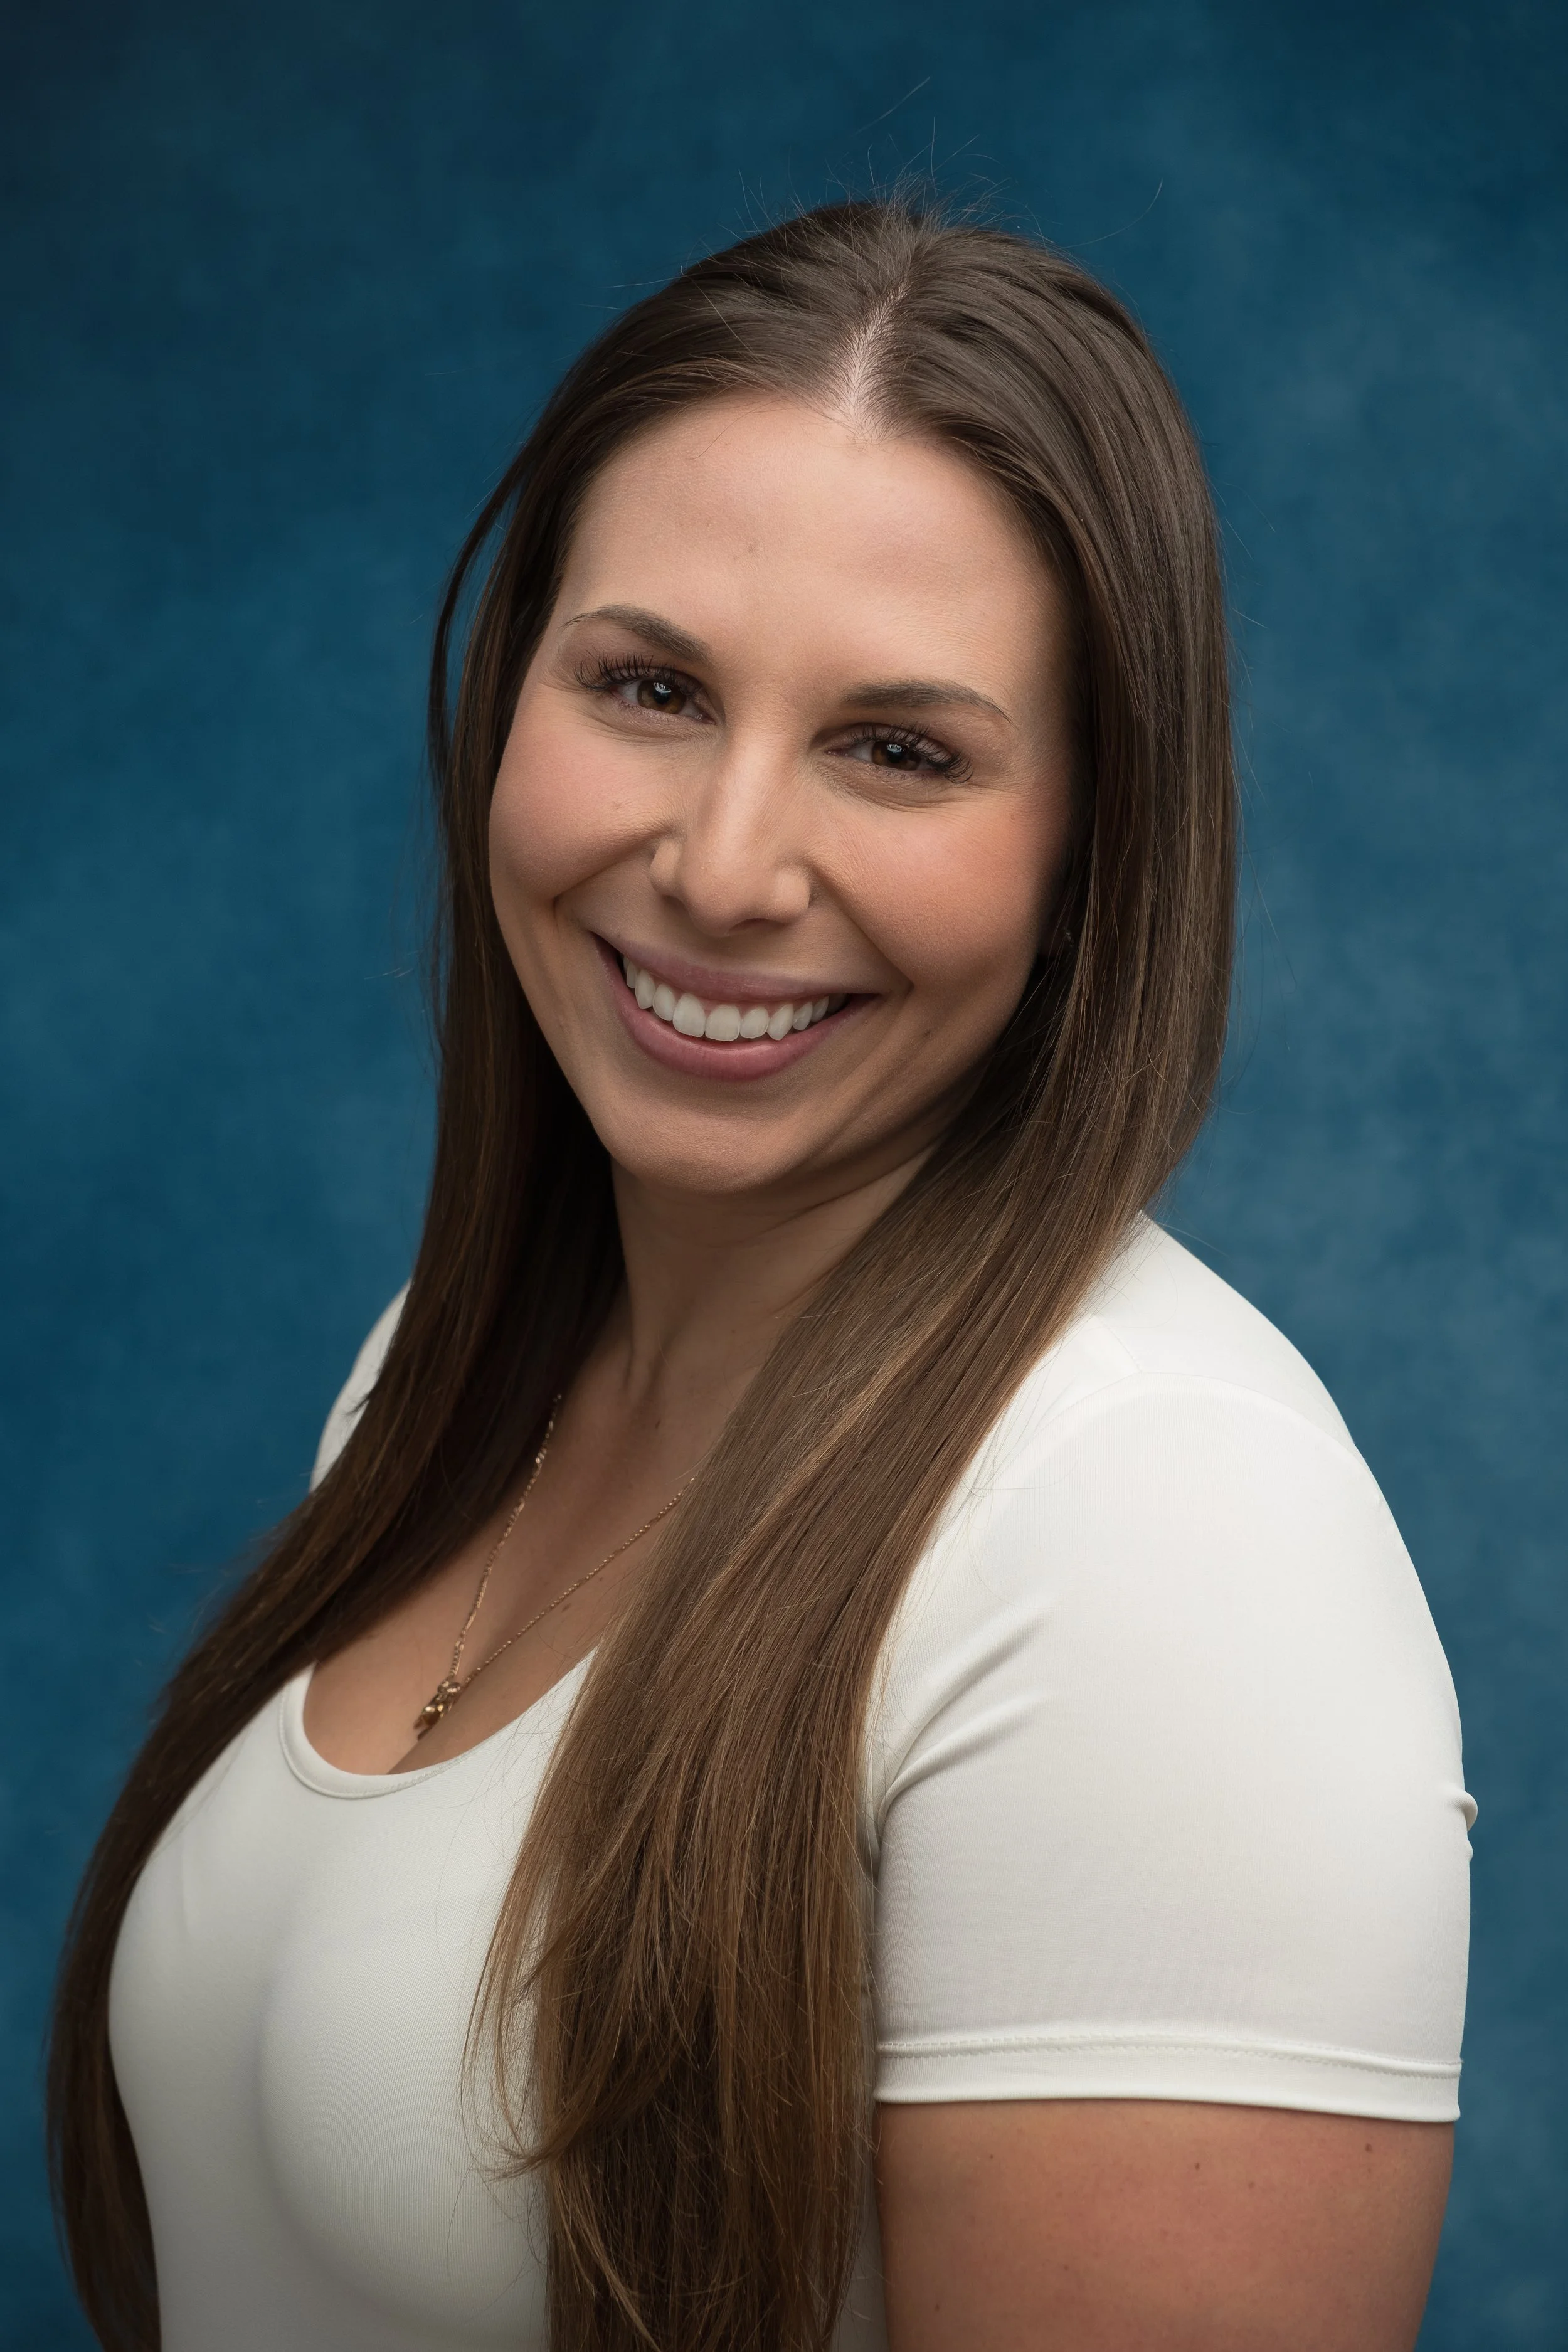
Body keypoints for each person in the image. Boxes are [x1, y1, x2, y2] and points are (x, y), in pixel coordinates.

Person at [49, 200, 1472, 2352]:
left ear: (1090, 847)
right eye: (647, 686)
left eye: (898, 748)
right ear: (505, 700)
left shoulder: (1158, 1544)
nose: (719, 867)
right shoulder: (448, 1376)